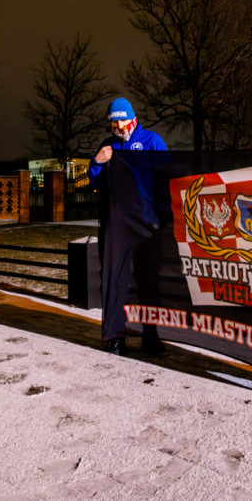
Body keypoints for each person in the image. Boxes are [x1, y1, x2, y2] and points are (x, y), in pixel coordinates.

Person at [88, 97, 168, 356]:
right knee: (114, 280)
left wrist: (162, 217)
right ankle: (115, 337)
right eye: (113, 121)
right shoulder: (108, 146)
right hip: (116, 226)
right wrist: (96, 163)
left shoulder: (152, 141)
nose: (119, 125)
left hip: (147, 224)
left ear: (133, 117)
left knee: (149, 280)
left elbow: (166, 178)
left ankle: (151, 335)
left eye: (122, 119)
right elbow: (95, 184)